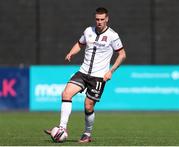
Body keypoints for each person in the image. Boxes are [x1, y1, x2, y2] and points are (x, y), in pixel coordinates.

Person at [44, 7, 126, 143]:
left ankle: (87, 134)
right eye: (97, 19)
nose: (99, 22)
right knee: (66, 94)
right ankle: (62, 128)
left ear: (107, 19)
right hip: (83, 72)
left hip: (99, 76)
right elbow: (79, 44)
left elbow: (122, 54)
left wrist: (111, 71)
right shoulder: (88, 31)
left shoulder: (113, 35)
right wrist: (71, 52)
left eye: (102, 19)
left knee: (88, 106)